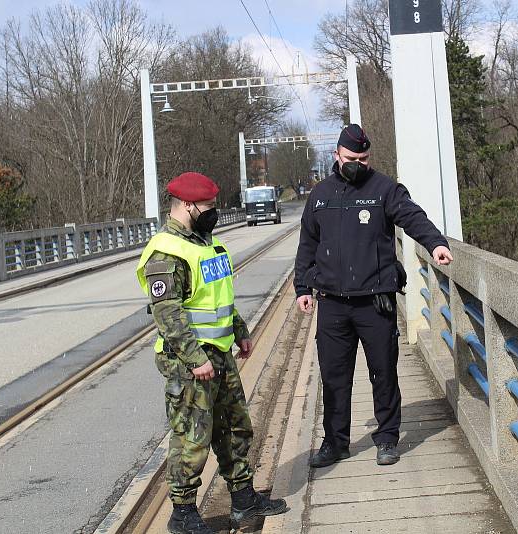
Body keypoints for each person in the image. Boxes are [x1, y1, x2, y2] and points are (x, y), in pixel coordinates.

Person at [136, 172, 287, 534]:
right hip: (190, 362)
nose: (213, 212)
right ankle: (183, 514)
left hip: (219, 354)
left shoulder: (208, 245)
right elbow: (168, 313)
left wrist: (240, 331)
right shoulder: (166, 251)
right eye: (207, 206)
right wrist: (194, 358)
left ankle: (243, 500)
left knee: (235, 426)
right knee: (192, 436)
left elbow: (220, 297)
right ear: (186, 206)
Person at [294, 124, 453, 468]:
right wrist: (302, 288)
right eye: (352, 158)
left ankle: (386, 439)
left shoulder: (384, 189)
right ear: (336, 155)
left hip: (375, 302)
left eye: (364, 158)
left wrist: (436, 242)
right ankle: (335, 443)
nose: (358, 163)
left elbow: (412, 217)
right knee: (334, 377)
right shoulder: (320, 195)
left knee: (383, 373)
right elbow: (307, 244)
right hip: (333, 303)